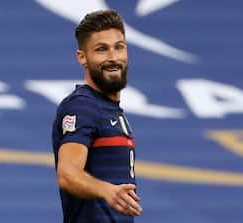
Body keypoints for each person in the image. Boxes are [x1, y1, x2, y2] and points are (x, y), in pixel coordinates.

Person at [52, 9, 142, 223]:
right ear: (82, 57)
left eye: (119, 47)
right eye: (101, 50)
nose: (113, 58)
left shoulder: (109, 109)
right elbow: (67, 174)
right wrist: (107, 191)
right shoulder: (83, 106)